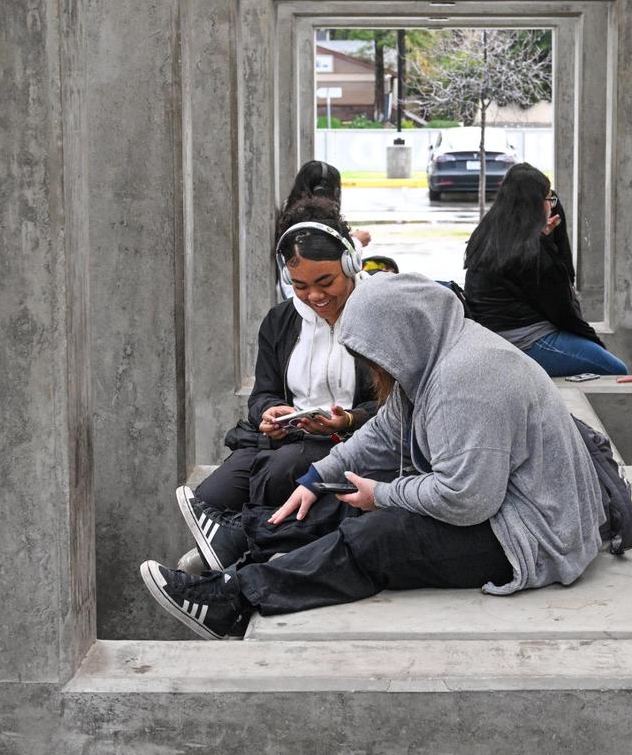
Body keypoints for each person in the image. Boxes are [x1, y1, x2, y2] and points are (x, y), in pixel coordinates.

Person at [139, 272, 606, 639]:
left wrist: (383, 494)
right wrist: (315, 477)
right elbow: (384, 434)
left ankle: (233, 602)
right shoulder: (436, 354)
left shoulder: (470, 381)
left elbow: (468, 500)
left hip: (532, 536)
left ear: (400, 335)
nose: (368, 364)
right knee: (341, 492)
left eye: (371, 351)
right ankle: (243, 543)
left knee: (380, 535)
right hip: (503, 507)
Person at [190, 198, 379, 526]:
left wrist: (349, 418)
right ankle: (235, 550)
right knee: (210, 498)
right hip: (286, 440)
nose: (315, 297)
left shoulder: (378, 316)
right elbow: (263, 393)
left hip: (352, 440)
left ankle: (242, 550)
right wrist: (269, 412)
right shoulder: (280, 321)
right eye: (300, 286)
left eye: (325, 282)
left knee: (277, 474)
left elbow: (398, 402)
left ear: (350, 265)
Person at [462, 163, 629, 377]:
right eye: (549, 199)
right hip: (524, 340)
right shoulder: (532, 249)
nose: (552, 205)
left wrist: (544, 237)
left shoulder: (487, 232)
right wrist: (595, 344)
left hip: (492, 333)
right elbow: (564, 308)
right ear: (535, 204)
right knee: (616, 369)